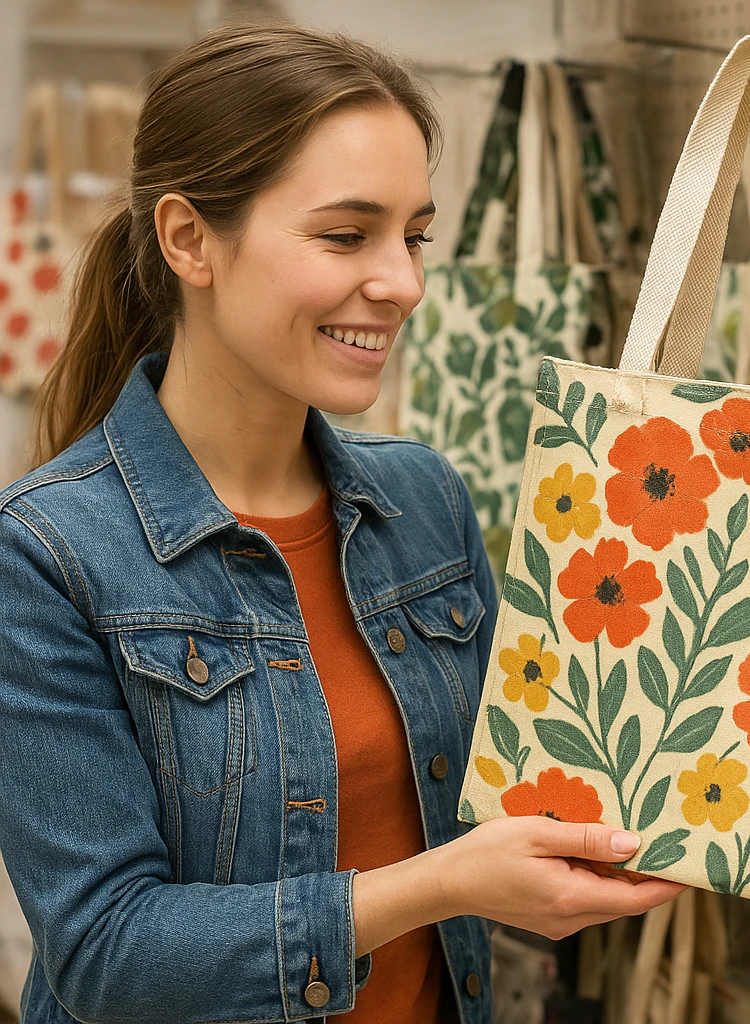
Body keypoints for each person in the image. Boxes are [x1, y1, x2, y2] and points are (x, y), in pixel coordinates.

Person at [0, 23, 685, 1024]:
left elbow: (524, 796)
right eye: (345, 234)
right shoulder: (49, 552)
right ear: (190, 238)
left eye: (413, 235)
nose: (404, 284)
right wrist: (445, 883)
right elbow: (109, 953)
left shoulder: (425, 502)